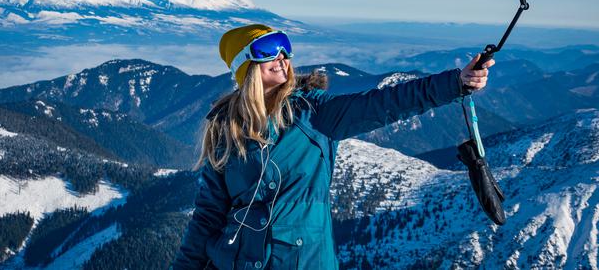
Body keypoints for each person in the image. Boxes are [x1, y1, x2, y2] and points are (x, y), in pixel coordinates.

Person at [172, 24, 494, 270]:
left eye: (285, 47)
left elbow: (384, 104)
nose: (283, 58)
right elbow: (208, 215)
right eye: (270, 49)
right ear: (246, 64)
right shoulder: (225, 129)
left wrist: (455, 83)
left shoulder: (315, 114)